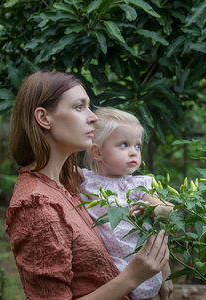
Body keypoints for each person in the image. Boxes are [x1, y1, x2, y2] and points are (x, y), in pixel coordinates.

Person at [6, 71, 170, 300]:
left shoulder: (73, 183)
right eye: (79, 107)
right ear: (44, 118)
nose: (93, 117)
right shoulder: (37, 206)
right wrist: (132, 277)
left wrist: (162, 269)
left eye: (89, 107)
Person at [80, 107, 174, 300]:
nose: (134, 152)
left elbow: (170, 211)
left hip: (141, 266)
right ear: (97, 152)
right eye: (124, 145)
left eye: (137, 146)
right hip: (110, 273)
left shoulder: (139, 185)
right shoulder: (84, 179)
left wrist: (153, 208)